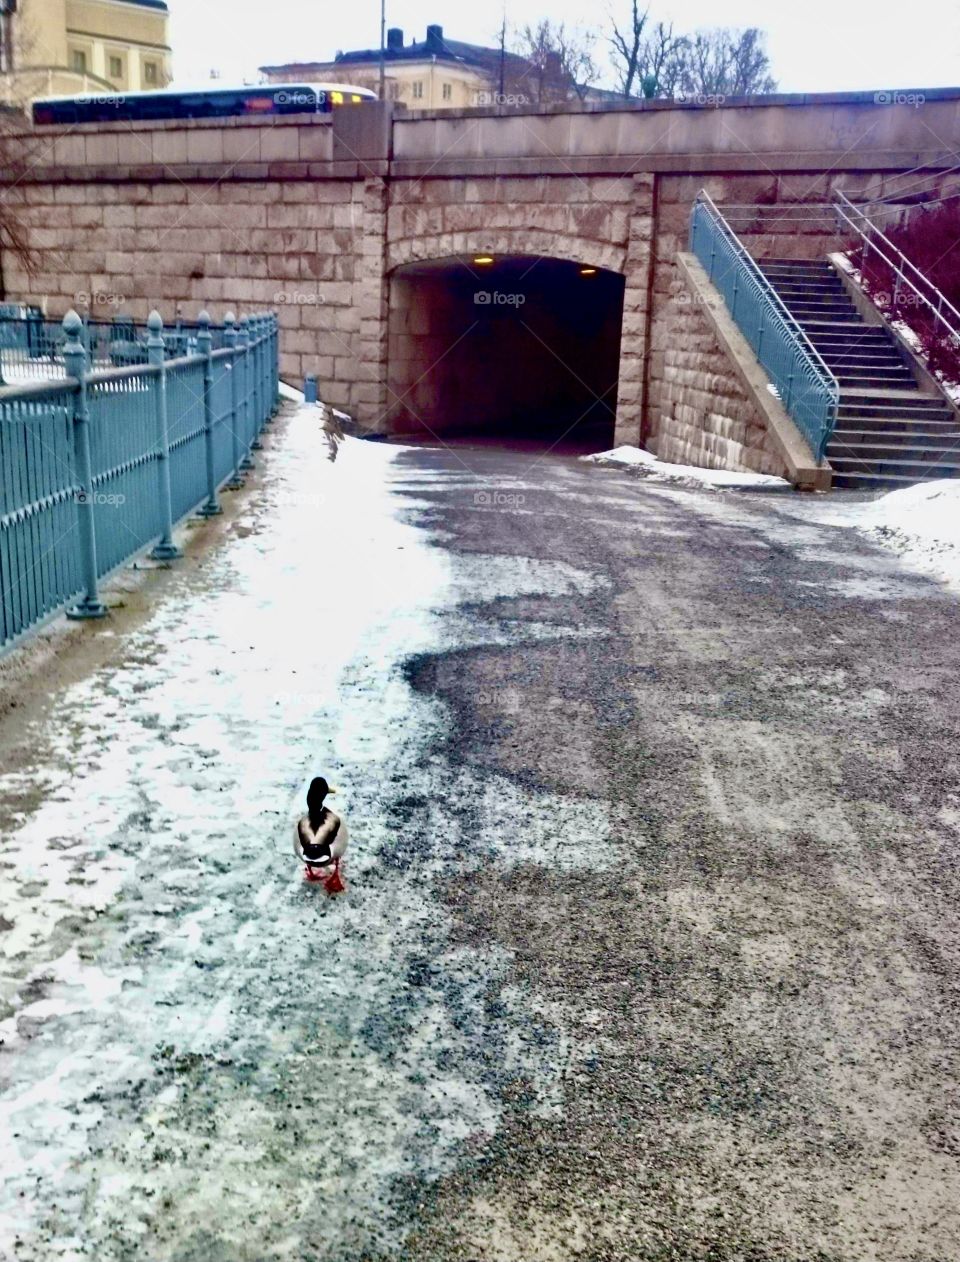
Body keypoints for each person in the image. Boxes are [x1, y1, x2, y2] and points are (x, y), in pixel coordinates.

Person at [294, 777, 348, 892]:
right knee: (337, 826)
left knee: (304, 829)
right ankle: (335, 875)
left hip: (306, 851)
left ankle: (310, 871)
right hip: (328, 850)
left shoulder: (302, 821)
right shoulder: (335, 819)